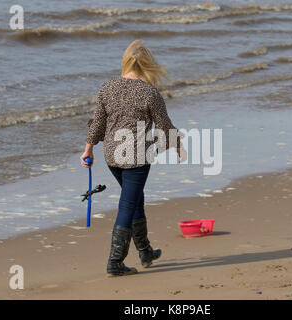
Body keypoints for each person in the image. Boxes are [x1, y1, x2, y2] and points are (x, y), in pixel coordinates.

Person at [80, 39, 186, 277]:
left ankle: (145, 251)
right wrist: (178, 145)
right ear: (148, 64)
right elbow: (164, 126)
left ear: (125, 61)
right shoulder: (150, 92)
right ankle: (115, 262)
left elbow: (98, 122)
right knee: (128, 203)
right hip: (137, 156)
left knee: (134, 198)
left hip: (111, 155)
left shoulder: (107, 87)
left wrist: (88, 149)